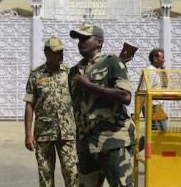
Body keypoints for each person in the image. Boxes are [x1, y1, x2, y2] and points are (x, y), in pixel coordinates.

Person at [68, 24, 135, 187]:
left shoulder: (111, 62)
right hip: (86, 145)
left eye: (85, 38)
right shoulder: (74, 72)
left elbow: (125, 96)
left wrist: (89, 86)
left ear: (99, 42)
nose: (80, 42)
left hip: (112, 141)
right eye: (79, 39)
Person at [24, 36, 78, 187]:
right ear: (47, 52)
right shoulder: (36, 74)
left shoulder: (70, 72)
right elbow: (29, 104)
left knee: (72, 173)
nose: (60, 55)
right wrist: (28, 134)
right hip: (43, 134)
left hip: (67, 132)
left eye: (61, 51)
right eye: (56, 52)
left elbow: (79, 100)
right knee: (45, 175)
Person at [147, 48, 168, 131]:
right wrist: (137, 113)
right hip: (153, 106)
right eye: (162, 58)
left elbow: (165, 85)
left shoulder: (157, 71)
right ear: (155, 59)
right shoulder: (150, 71)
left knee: (160, 131)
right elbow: (144, 90)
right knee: (159, 131)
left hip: (157, 106)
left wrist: (163, 70)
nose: (164, 60)